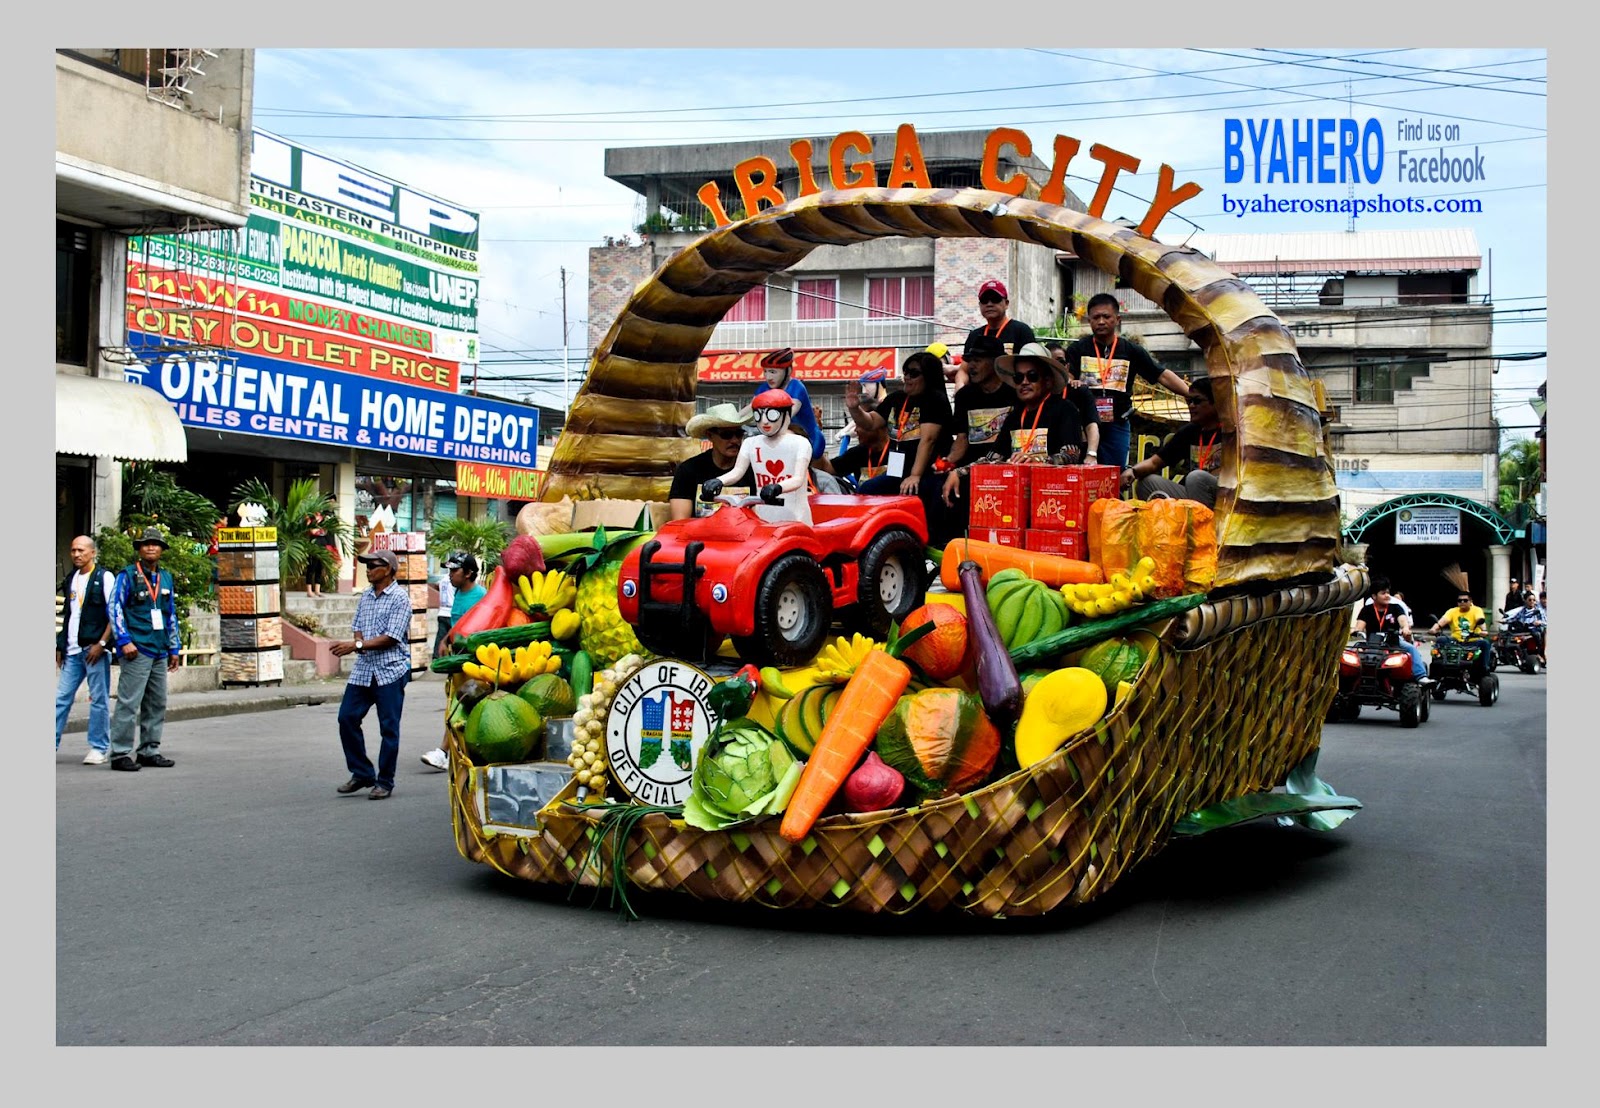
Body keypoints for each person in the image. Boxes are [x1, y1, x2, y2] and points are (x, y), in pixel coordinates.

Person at [1061, 293, 1192, 470]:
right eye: (1096, 317)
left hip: (1117, 423)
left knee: (1116, 473)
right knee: (1080, 472)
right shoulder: (1077, 349)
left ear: (1117, 319)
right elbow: (1066, 377)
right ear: (1089, 320)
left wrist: (1191, 394)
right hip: (1085, 425)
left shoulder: (1131, 351)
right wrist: (1072, 381)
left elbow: (1161, 375)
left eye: (1106, 316)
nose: (1101, 321)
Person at [331, 549, 414, 799]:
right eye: (367, 566)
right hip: (364, 669)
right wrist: (358, 642)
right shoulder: (366, 596)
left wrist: (356, 645)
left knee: (388, 728)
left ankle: (385, 782)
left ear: (388, 569)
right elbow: (357, 626)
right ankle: (362, 773)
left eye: (374, 566)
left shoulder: (400, 598)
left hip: (390, 670)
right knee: (347, 717)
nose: (368, 570)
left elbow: (391, 637)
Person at [847, 351, 954, 537]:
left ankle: (931, 543)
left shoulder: (935, 399)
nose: (907, 377)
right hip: (899, 471)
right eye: (905, 372)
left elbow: (928, 440)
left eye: (914, 373)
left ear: (928, 376)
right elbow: (870, 423)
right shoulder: (896, 399)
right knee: (867, 490)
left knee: (923, 497)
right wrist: (854, 408)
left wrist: (915, 475)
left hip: (930, 471)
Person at [107, 527, 182, 772]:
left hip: (159, 648)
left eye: (155, 544)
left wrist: (174, 646)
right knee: (129, 703)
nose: (151, 547)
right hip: (136, 648)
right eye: (146, 543)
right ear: (139, 548)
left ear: (162, 550)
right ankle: (120, 753)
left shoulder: (166, 578)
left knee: (157, 702)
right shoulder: (127, 575)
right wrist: (124, 640)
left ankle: (149, 750)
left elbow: (171, 614)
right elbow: (114, 608)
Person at [704, 388, 815, 526]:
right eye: (759, 415)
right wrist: (719, 481)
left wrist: (778, 487)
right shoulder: (751, 443)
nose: (764, 421)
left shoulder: (800, 443)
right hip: (763, 517)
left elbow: (798, 479)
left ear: (786, 414)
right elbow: (737, 471)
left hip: (795, 518)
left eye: (771, 414)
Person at [421, 551, 486, 772]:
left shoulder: (481, 596)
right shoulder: (458, 592)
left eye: (454, 571)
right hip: (456, 659)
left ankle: (443, 752)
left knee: (459, 706)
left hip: (472, 662)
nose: (450, 575)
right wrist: (446, 640)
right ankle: (456, 752)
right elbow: (458, 623)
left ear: (468, 573)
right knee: (456, 705)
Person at [56, 534, 117, 764]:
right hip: (72, 651)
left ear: (93, 553)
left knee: (98, 700)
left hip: (94, 650)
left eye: (81, 550)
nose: (76, 554)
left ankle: (99, 747)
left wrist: (102, 644)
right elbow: (69, 615)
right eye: (73, 550)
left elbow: (113, 614)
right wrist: (60, 645)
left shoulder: (104, 577)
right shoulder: (71, 578)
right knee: (61, 699)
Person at [1119, 377, 1222, 509]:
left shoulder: (1233, 431)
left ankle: (1202, 522)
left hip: (1226, 498)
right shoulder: (1190, 431)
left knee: (1196, 477)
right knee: (1147, 483)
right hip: (1195, 497)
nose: (1191, 406)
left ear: (1216, 402)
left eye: (1197, 401)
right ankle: (1183, 520)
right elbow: (1155, 462)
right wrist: (1132, 471)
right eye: (1189, 401)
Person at [993, 343, 1091, 463]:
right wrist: (972, 467)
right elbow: (995, 455)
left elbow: (1071, 455)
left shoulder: (1065, 409)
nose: (1024, 382)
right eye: (1018, 377)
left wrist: (1038, 461)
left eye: (1032, 376)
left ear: (1048, 381)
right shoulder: (1014, 416)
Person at [668, 403, 748, 522]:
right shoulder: (688, 470)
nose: (735, 440)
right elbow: (680, 522)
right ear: (710, 436)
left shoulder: (752, 469)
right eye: (726, 435)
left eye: (739, 434)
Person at [746, 347, 826, 460]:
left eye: (773, 372)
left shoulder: (796, 387)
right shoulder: (764, 388)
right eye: (765, 371)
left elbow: (789, 413)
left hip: (810, 440)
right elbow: (750, 408)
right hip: (783, 440)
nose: (768, 377)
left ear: (788, 371)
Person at [1352, 576, 1428, 678]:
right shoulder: (1366, 610)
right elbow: (1359, 628)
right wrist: (1353, 631)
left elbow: (1403, 622)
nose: (1387, 596)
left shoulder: (1396, 608)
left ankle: (1421, 676)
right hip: (1371, 643)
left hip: (1393, 641)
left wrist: (1405, 628)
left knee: (1411, 648)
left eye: (1388, 593)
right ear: (1374, 596)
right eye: (1383, 593)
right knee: (1353, 653)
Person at [964, 279, 1036, 357]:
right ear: (980, 305)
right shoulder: (974, 336)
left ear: (1006, 304)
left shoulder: (1021, 331)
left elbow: (1032, 362)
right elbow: (966, 364)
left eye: (995, 299)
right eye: (984, 300)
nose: (989, 304)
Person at [823, 419, 892, 489]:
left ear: (878, 427)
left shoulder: (896, 451)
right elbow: (828, 468)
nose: (856, 430)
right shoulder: (858, 453)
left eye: (860, 426)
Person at [1505, 590, 1547, 667]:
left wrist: (1540, 622)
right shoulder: (1523, 611)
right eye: (1530, 600)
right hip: (1524, 629)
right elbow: (1515, 618)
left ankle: (1539, 653)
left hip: (1535, 629)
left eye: (1534, 600)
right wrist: (1505, 621)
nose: (1532, 602)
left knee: (1536, 634)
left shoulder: (1538, 611)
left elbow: (1545, 622)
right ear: (1525, 601)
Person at [304, 512, 337, 597]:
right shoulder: (310, 519)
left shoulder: (324, 519)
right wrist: (320, 530)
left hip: (323, 546)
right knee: (311, 568)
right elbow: (312, 531)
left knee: (319, 568)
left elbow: (327, 532)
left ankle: (317, 590)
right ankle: (309, 590)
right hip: (313, 546)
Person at [433, 562, 456, 661]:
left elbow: (436, 586)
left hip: (442, 612)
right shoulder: (454, 581)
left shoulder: (442, 580)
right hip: (451, 612)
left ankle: (436, 658)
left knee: (440, 638)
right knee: (453, 639)